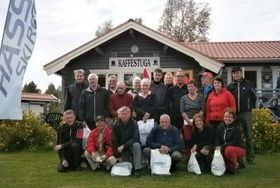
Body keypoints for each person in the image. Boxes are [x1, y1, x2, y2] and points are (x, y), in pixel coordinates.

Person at [227, 66, 256, 164]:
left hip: (246, 113)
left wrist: (249, 107)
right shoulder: (230, 86)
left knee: (248, 135)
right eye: (234, 73)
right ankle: (240, 158)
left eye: (237, 73)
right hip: (234, 114)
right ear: (232, 75)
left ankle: (250, 158)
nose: (236, 75)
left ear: (241, 73)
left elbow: (254, 97)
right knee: (236, 136)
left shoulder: (248, 84)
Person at [111, 106, 143, 176]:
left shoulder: (134, 123)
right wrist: (117, 152)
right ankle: (131, 167)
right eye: (122, 114)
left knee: (137, 145)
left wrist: (124, 145)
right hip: (122, 149)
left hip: (131, 146)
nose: (124, 115)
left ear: (129, 114)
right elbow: (114, 140)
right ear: (119, 115)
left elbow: (136, 138)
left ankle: (138, 169)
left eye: (126, 114)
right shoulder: (115, 125)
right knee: (126, 167)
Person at [214, 108, 245, 174]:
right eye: (226, 116)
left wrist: (222, 147)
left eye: (230, 117)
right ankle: (237, 163)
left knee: (229, 150)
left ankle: (236, 164)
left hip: (237, 149)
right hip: (224, 148)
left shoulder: (237, 128)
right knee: (228, 169)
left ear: (234, 118)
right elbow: (217, 138)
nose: (227, 118)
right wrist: (217, 146)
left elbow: (235, 142)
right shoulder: (220, 126)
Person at [180, 80, 205, 155]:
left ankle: (199, 154)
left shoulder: (201, 97)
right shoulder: (183, 98)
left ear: (195, 87)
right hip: (187, 121)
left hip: (198, 120)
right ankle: (189, 155)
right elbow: (182, 111)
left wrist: (196, 120)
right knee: (188, 138)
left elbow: (203, 109)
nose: (190, 88)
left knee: (198, 138)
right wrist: (188, 121)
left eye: (192, 86)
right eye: (189, 87)